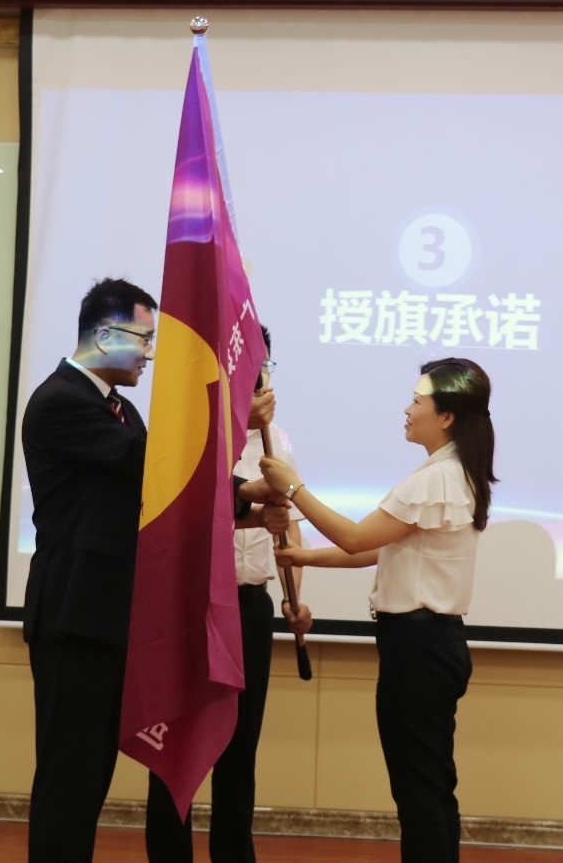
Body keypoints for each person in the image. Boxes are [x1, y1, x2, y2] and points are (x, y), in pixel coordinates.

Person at [21, 276, 277, 863]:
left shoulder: (121, 410)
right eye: (144, 338)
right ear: (105, 335)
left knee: (90, 776)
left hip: (113, 620)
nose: (151, 353)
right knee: (70, 779)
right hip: (76, 616)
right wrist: (233, 413)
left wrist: (249, 502)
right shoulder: (62, 401)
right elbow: (152, 462)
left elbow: (166, 488)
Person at [261, 358, 497, 863]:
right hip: (434, 646)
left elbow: (356, 537)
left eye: (417, 401)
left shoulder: (437, 478)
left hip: (418, 649)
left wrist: (292, 488)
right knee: (433, 785)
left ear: (447, 416)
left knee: (419, 792)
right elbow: (380, 548)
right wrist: (304, 557)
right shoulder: (452, 472)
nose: (407, 409)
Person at [145, 327, 314, 863]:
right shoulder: (190, 429)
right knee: (180, 746)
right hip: (192, 607)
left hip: (250, 606)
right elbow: (188, 515)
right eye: (248, 369)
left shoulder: (278, 438)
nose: (260, 381)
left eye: (265, 368)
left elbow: (287, 523)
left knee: (241, 749)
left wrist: (296, 596)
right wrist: (237, 428)